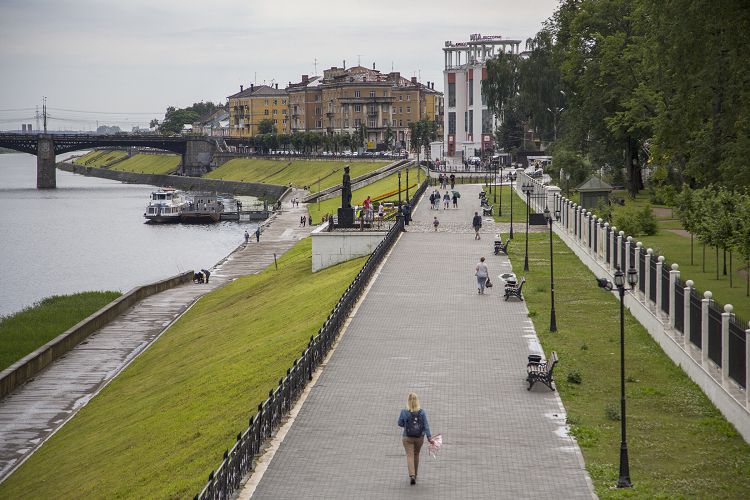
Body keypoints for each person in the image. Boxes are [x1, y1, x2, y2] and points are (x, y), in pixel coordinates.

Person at [397, 393, 433, 485]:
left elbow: (400, 423)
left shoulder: (404, 411)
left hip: (407, 437)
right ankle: (415, 474)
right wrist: (429, 437)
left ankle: (412, 475)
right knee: (416, 454)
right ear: (417, 401)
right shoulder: (422, 412)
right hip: (419, 437)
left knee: (410, 455)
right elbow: (426, 426)